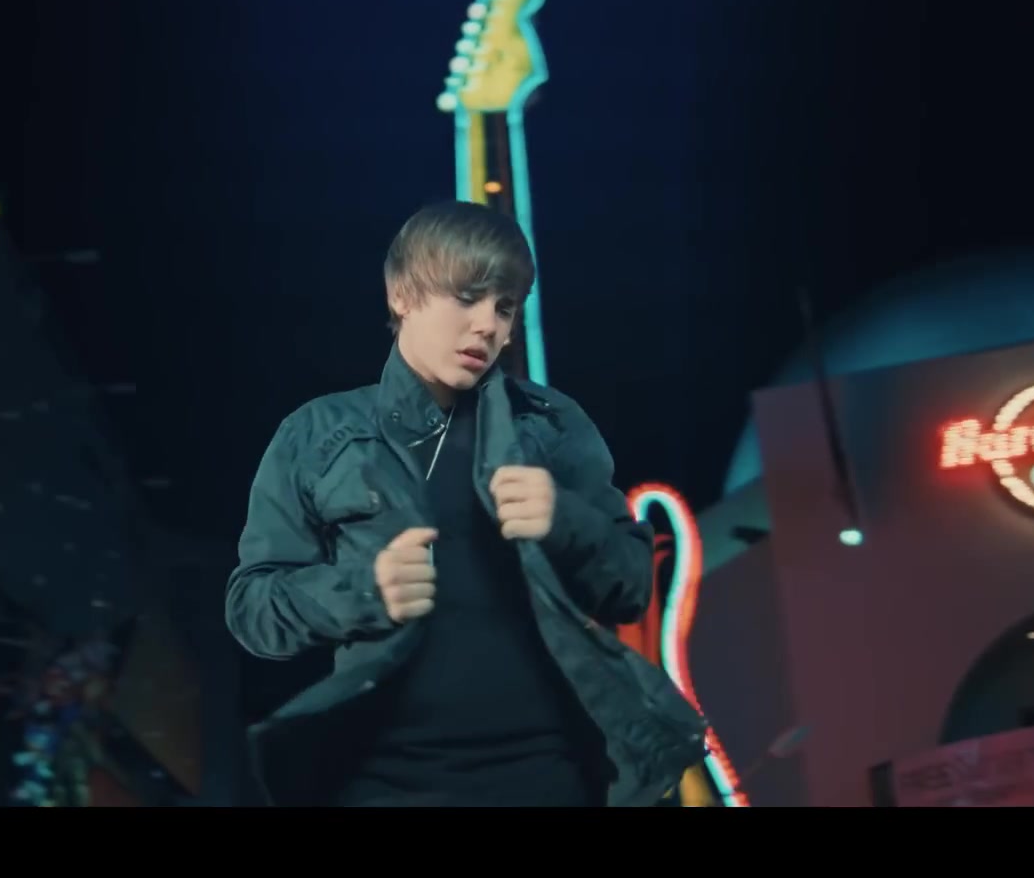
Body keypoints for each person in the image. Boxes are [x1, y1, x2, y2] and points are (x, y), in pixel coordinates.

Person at [225, 200, 706, 807]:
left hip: (547, 775)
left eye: (504, 307)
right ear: (402, 295)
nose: (488, 326)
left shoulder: (551, 426)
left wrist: (564, 520)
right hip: (379, 782)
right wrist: (364, 590)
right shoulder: (317, 433)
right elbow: (252, 608)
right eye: (467, 297)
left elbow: (632, 586)